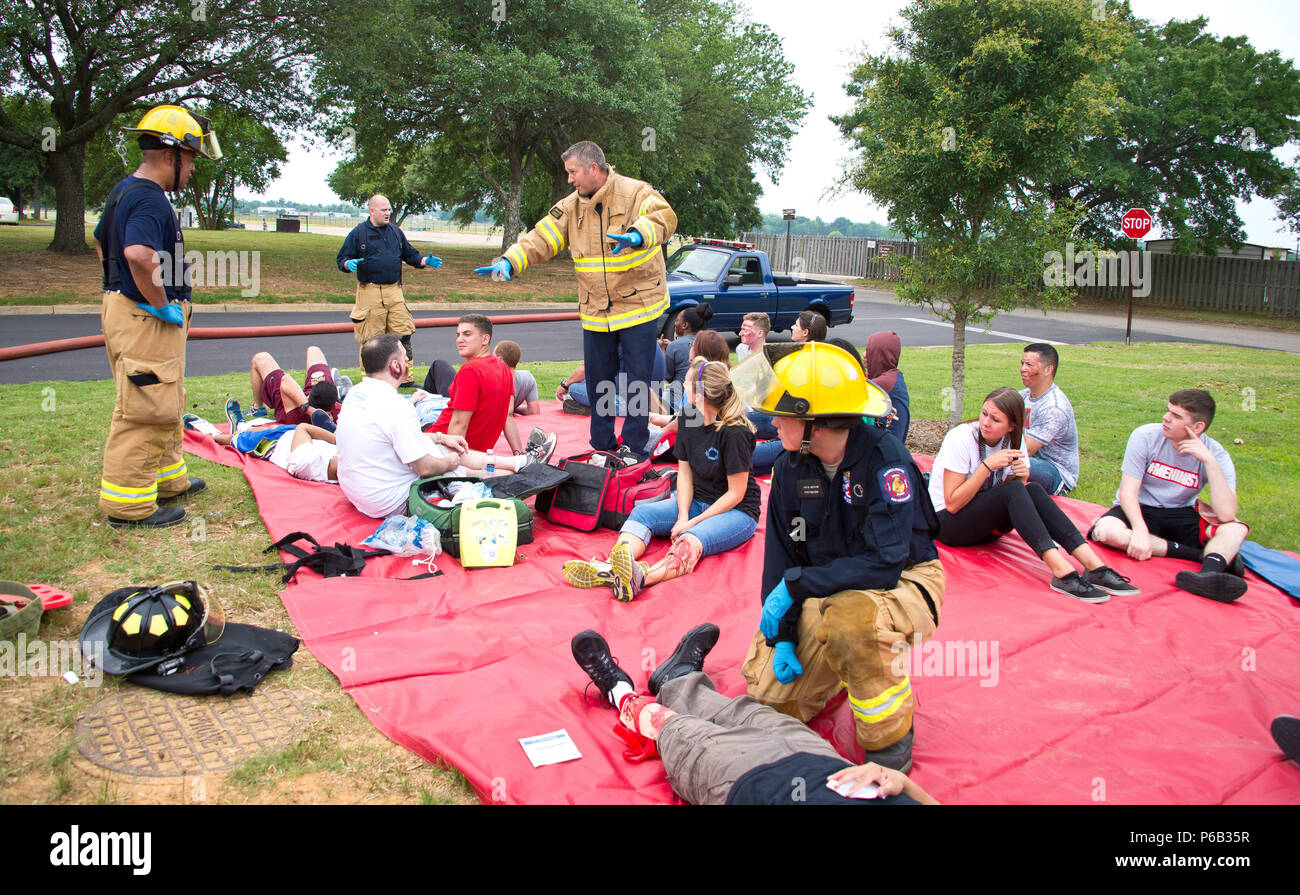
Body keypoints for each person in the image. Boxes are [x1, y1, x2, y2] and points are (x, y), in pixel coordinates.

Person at [732, 342, 946, 772]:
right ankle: (832, 671)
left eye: (782, 415)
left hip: (904, 578)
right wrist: (786, 632)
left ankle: (889, 733)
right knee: (765, 705)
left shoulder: (886, 464)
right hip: (826, 580)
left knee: (850, 621)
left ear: (818, 424)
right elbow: (783, 553)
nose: (772, 423)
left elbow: (886, 563)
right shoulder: (792, 466)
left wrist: (798, 586)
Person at [570, 625, 939, 805]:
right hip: (826, 766)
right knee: (744, 713)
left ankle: (620, 692)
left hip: (753, 785)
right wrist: (898, 780)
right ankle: (680, 677)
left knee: (678, 731)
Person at [475, 140, 677, 463]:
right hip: (597, 311)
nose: (569, 179)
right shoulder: (571, 206)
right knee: (599, 380)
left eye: (573, 172)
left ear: (593, 169)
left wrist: (639, 234)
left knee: (637, 382)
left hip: (638, 307)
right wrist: (511, 260)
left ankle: (634, 447)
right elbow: (542, 237)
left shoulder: (635, 191)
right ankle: (602, 445)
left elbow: (663, 216)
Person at [93, 104, 221, 528]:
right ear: (171, 155)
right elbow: (138, 255)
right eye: (190, 161)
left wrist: (119, 289)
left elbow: (102, 243)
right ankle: (128, 506)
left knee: (165, 398)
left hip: (131, 312)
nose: (192, 172)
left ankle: (167, 479)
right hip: (146, 319)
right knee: (143, 406)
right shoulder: (150, 199)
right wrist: (158, 301)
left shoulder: (122, 191)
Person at [563, 357, 760, 601]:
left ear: (701, 394)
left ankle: (641, 578)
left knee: (690, 541)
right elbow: (685, 473)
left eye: (686, 383)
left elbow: (736, 494)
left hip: (737, 511)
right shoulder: (689, 417)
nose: (682, 388)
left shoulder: (734, 431)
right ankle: (615, 566)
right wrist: (683, 515)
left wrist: (691, 523)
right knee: (642, 514)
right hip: (698, 500)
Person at [930, 387, 1135, 603]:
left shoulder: (1014, 440)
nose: (986, 423)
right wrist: (987, 466)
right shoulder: (961, 438)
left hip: (985, 526)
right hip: (947, 523)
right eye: (984, 414)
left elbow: (1008, 493)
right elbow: (952, 504)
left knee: (1033, 489)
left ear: (1011, 426)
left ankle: (1095, 567)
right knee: (1016, 490)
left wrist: (1020, 476)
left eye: (995, 419)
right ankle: (1061, 570)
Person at [335, 335, 547, 518]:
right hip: (392, 500)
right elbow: (426, 468)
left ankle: (519, 462)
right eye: (404, 356)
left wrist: (438, 437)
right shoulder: (396, 406)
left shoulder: (356, 394)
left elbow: (386, 437)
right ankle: (523, 471)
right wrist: (448, 463)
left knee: (446, 446)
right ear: (395, 366)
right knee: (458, 467)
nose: (408, 361)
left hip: (359, 492)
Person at [1089, 389, 1249, 602]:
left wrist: (1209, 462)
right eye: (1168, 411)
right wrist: (1139, 531)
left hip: (1181, 513)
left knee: (1235, 529)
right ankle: (1208, 557)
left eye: (1176, 416)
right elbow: (1128, 493)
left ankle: (1206, 576)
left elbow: (1227, 513)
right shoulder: (1145, 436)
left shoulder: (1215, 454)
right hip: (1140, 509)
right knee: (1106, 531)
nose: (1166, 418)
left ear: (1198, 427)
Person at [337, 194, 443, 372]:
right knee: (372, 339)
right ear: (372, 211)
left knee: (403, 334)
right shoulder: (359, 233)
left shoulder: (395, 232)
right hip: (369, 291)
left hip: (394, 290)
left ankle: (404, 377)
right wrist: (348, 264)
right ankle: (371, 378)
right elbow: (342, 258)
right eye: (383, 210)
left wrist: (425, 261)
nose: (388, 213)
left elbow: (411, 255)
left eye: (389, 210)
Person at [427, 314, 518, 453]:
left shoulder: (470, 370)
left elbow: (459, 423)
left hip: (441, 445)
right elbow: (508, 416)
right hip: (475, 450)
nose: (459, 340)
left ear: (485, 339)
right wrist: (519, 452)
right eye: (458, 335)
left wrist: (451, 462)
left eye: (467, 334)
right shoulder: (504, 369)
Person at [224, 347, 340, 434]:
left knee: (260, 358)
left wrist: (308, 408)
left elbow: (286, 380)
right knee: (313, 350)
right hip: (324, 397)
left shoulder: (298, 420)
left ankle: (256, 409)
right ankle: (341, 392)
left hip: (289, 403)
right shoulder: (339, 412)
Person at [1018, 343, 1078, 495]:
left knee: (1009, 463)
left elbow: (1026, 450)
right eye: (1022, 363)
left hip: (1056, 472)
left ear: (1048, 370)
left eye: (1029, 365)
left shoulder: (1054, 408)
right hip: (1030, 460)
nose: (1023, 369)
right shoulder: (1023, 396)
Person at [211, 421, 340, 484]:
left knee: (237, 438)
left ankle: (213, 434)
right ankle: (244, 426)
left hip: (275, 443)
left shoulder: (305, 462)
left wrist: (336, 439)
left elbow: (303, 427)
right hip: (298, 436)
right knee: (272, 428)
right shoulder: (338, 463)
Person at [558, 344, 667, 418]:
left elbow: (585, 369)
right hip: (655, 396)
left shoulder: (615, 338)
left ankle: (602, 410)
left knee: (574, 388)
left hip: (633, 401)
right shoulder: (646, 335)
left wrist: (565, 385)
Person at [661, 304, 712, 409]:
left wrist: (663, 350)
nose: (675, 323)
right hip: (707, 398)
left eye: (677, 320)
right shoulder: (711, 342)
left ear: (685, 325)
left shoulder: (674, 346)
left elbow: (667, 377)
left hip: (682, 399)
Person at [866, 331, 910, 444]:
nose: (865, 355)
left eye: (869, 351)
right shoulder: (895, 376)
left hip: (883, 451)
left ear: (880, 354)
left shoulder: (881, 384)